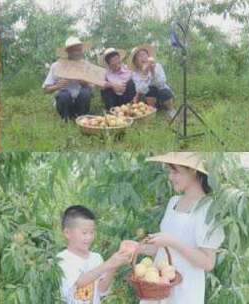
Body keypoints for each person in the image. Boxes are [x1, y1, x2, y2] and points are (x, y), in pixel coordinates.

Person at [138, 152, 225, 304]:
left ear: (193, 171)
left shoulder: (208, 208)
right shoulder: (173, 202)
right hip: (160, 285)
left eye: (175, 171)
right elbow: (163, 249)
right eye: (170, 172)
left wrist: (173, 241)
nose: (170, 177)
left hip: (185, 291)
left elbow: (208, 262)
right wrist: (138, 248)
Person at [57, 205, 131, 304]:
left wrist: (114, 266)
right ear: (67, 233)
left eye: (92, 232)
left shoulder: (96, 258)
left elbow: (102, 289)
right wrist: (109, 263)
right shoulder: (63, 259)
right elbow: (80, 282)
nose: (89, 237)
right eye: (84, 233)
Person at [43, 37, 93, 121]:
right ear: (68, 52)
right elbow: (46, 89)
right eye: (74, 50)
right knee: (63, 95)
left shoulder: (86, 65)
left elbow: (92, 87)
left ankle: (82, 117)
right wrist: (57, 86)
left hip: (80, 101)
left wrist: (85, 82)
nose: (77, 53)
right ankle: (66, 118)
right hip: (65, 101)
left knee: (85, 92)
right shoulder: (56, 66)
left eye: (79, 50)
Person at [130, 44, 176, 118]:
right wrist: (144, 74)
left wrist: (153, 72)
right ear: (135, 62)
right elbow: (140, 90)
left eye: (144, 55)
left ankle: (170, 109)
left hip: (163, 94)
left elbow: (161, 83)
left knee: (164, 91)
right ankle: (152, 110)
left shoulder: (157, 66)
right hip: (150, 98)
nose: (143, 57)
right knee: (150, 89)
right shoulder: (135, 73)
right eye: (139, 56)